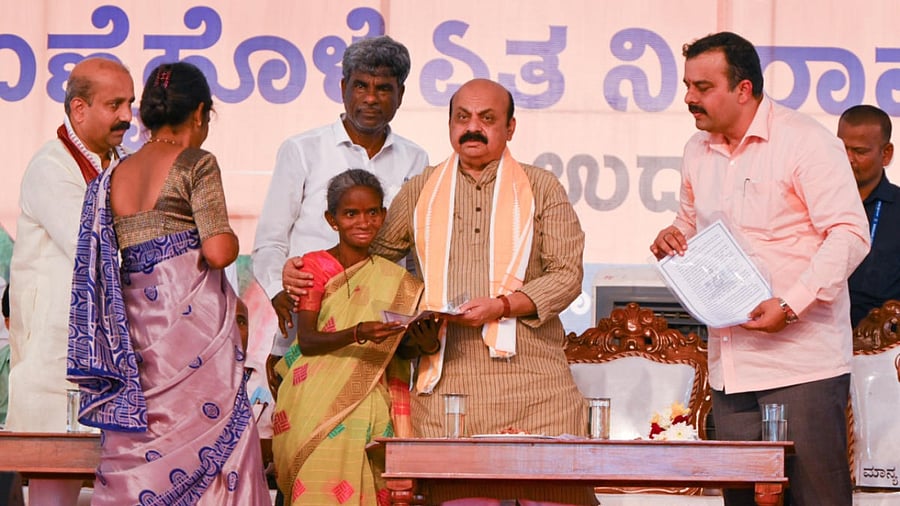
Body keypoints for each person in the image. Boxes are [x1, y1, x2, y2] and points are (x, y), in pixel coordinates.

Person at [287, 79, 591, 505]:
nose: (473, 128)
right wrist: (302, 269)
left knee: (553, 496)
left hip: (536, 383)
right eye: (462, 117)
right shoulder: (421, 190)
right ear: (449, 124)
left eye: (487, 119)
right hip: (447, 383)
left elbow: (566, 275)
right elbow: (364, 256)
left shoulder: (543, 188)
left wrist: (500, 306)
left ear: (511, 127)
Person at [650, 32, 869, 506]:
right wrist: (672, 236)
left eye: (703, 87)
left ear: (744, 89)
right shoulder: (696, 149)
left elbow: (851, 233)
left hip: (801, 364)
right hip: (730, 367)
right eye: (687, 85)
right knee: (744, 501)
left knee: (815, 499)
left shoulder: (804, 141)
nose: (690, 98)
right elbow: (689, 224)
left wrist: (791, 305)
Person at [66, 61, 270, 505]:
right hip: (190, 332)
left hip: (137, 332)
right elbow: (217, 252)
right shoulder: (196, 163)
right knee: (218, 444)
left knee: (142, 445)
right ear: (199, 114)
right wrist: (231, 236)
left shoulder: (113, 176)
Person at [252, 35, 428, 396]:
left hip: (380, 334)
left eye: (383, 88)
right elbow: (270, 242)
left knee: (374, 442)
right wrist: (276, 292)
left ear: (401, 95)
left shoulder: (416, 159)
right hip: (308, 327)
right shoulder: (303, 150)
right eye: (360, 85)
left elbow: (413, 256)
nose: (370, 98)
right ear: (343, 86)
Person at [7, 56, 133, 506]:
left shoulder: (122, 165)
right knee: (52, 495)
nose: (126, 116)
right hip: (55, 365)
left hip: (112, 367)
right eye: (114, 104)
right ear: (78, 109)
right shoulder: (51, 167)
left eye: (130, 103)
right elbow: (97, 247)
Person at [271, 168, 433, 505]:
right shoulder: (314, 267)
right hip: (314, 397)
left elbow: (400, 351)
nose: (363, 222)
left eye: (372, 212)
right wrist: (359, 332)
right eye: (351, 214)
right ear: (332, 220)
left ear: (384, 215)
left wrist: (426, 343)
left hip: (370, 393)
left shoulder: (395, 278)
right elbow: (310, 340)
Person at [836, 105, 899, 328]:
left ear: (886, 153)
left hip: (884, 350)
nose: (848, 159)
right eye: (841, 148)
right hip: (819, 340)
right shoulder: (815, 202)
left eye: (859, 151)